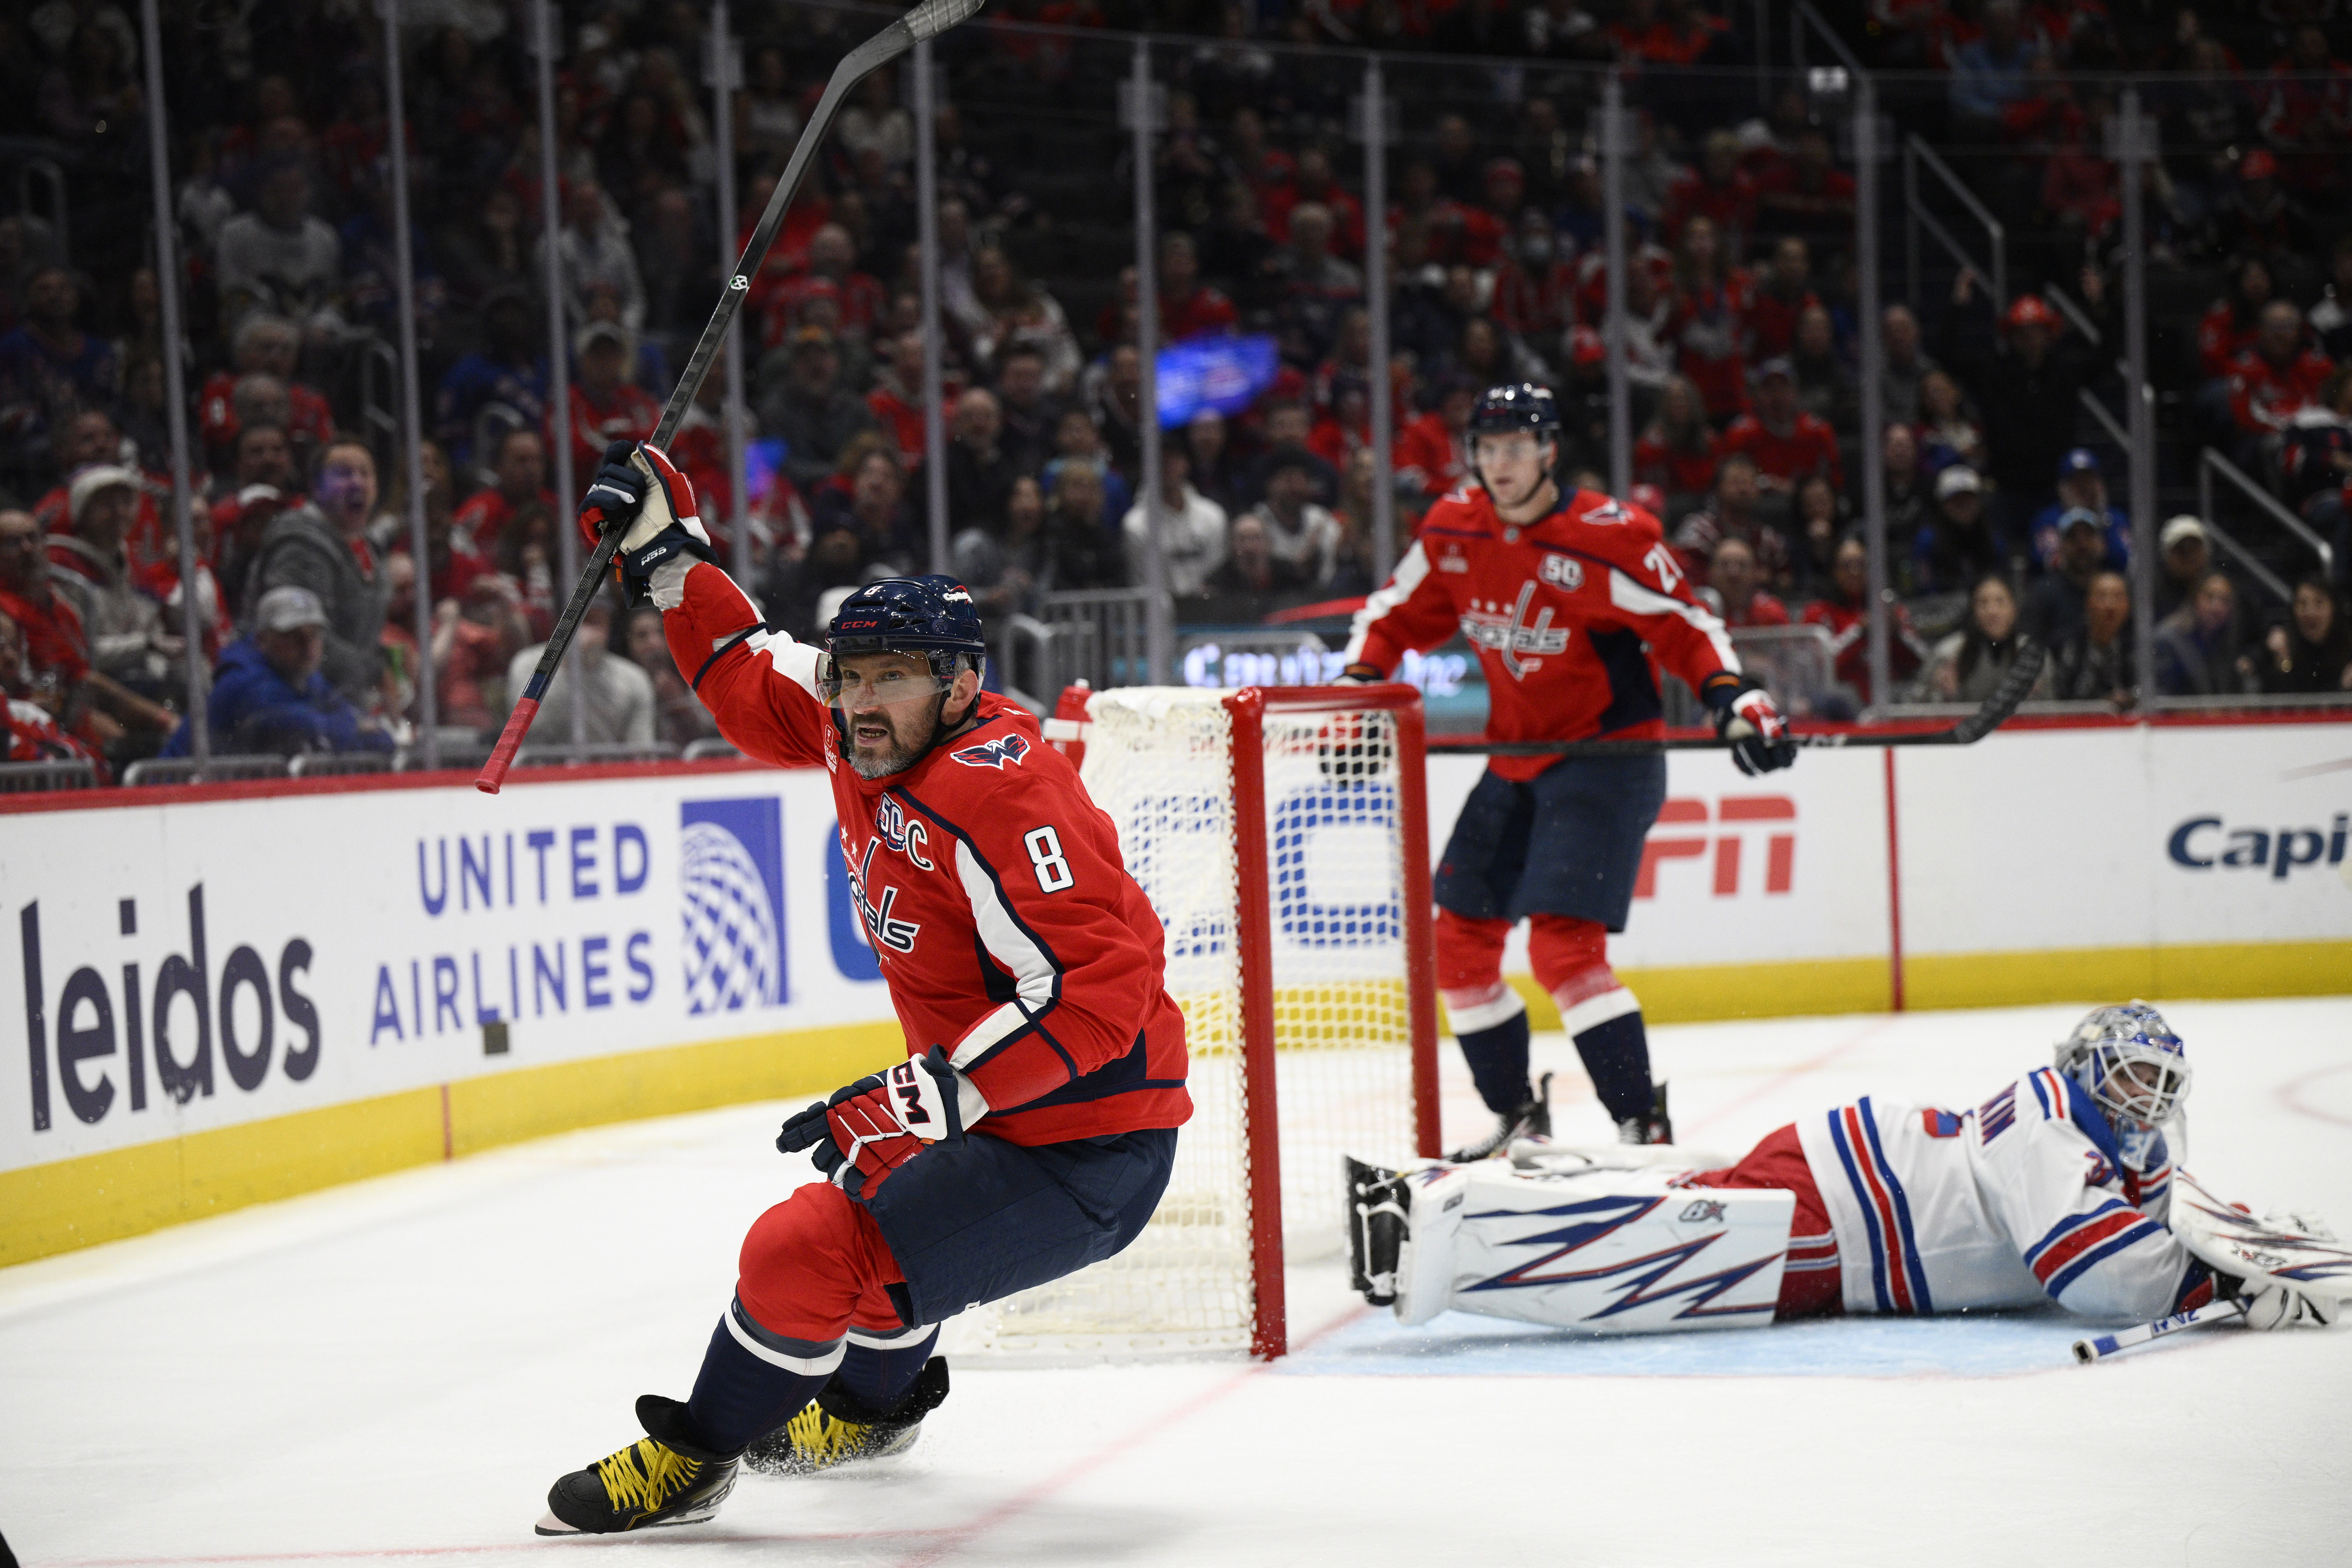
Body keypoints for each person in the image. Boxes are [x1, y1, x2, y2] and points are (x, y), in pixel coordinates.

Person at [532, 444, 1189, 1535]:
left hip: (1088, 1144)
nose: (859, 702)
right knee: (872, 1169)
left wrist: (929, 1096)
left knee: (806, 1247)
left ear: (961, 684)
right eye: (850, 677)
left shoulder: (1006, 794)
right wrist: (662, 551)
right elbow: (751, 669)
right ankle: (872, 1411)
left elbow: (1098, 991)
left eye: (891, 678)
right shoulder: (858, 730)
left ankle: (693, 1460)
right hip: (999, 1106)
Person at [1341, 383, 1795, 1156]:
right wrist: (1362, 685)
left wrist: (1732, 694)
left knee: (1562, 948)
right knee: (1458, 945)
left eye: (1517, 447)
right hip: (1516, 760)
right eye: (1488, 449)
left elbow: (1685, 625)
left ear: (1550, 450)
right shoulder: (1454, 528)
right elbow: (1392, 613)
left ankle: (1640, 1124)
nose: (1501, 464)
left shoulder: (1607, 536)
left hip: (1606, 760)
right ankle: (1520, 1118)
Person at [1351, 1004, 2338, 1336]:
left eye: (2157, 1083)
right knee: (1675, 1261)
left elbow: (2154, 1205)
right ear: (2086, 1071)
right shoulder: (2052, 1136)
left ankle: (1501, 1183)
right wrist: (2212, 1279)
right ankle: (1449, 1227)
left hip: (1843, 1166)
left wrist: (2233, 1238)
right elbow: (2092, 1276)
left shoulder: (2072, 1117)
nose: (2144, 1102)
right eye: (2127, 1077)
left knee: (1692, 1201)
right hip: (1848, 1218)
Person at [162, 586, 392, 758]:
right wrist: (353, 728)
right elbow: (303, 727)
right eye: (294, 636)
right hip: (175, 796)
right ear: (263, 640)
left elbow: (377, 736)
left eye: (314, 634)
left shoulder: (303, 675)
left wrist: (356, 728)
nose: (307, 645)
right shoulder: (244, 681)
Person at [505, 595, 656, 747]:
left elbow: (641, 750)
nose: (590, 631)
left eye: (599, 622)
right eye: (584, 621)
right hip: (542, 766)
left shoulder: (634, 679)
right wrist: (570, 665)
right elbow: (529, 732)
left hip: (605, 768)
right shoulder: (529, 665)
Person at [1802, 536, 1927, 706]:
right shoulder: (1818, 612)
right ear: (1834, 570)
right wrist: (1861, 632)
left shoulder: (1890, 609)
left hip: (1893, 703)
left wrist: (1896, 633)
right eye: (1846, 566)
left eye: (1861, 565)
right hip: (1840, 707)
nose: (1855, 572)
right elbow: (1818, 668)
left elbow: (1923, 659)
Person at [1919, 575, 2046, 705]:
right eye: (1983, 603)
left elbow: (2055, 711)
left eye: (2000, 602)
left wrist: (2033, 699)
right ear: (1973, 610)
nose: (1992, 611)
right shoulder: (1948, 653)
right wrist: (1944, 696)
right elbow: (1915, 707)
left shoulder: (2034, 656)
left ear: (2015, 609)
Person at [1120, 444, 1227, 598]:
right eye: (1162, 462)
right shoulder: (1135, 525)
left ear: (1186, 464)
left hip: (1209, 610)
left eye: (1174, 460)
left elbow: (1218, 571)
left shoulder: (1213, 516)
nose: (1168, 468)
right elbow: (1140, 582)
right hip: (1160, 614)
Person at [2029, 449, 2132, 573]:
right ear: (2064, 488)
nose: (2087, 487)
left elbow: (2129, 562)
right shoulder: (2049, 520)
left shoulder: (2115, 518)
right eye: (2079, 482)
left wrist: (2107, 543)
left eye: (2091, 481)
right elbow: (2047, 563)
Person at [2153, 570, 2250, 697]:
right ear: (2195, 599)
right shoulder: (2168, 639)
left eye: (2225, 601)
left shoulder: (2227, 640)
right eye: (2210, 597)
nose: (2217, 607)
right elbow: (2162, 697)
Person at [2050, 569, 2138, 705]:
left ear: (2128, 606)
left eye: (2118, 597)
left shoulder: (2138, 646)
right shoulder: (2065, 645)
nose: (2110, 606)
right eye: (2103, 596)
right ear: (2088, 604)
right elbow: (2059, 697)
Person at [2254, 577, 2352, 692]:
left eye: (2319, 603)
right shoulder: (2282, 645)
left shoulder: (2348, 646)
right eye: (2303, 604)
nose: (2310, 613)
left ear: (2334, 609)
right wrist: (2283, 661)